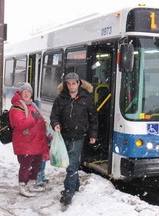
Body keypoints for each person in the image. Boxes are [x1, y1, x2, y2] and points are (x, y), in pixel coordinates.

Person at [50, 72, 98, 206]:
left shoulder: (86, 98)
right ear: (66, 85)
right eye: (69, 84)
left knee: (71, 164)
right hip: (64, 135)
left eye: (74, 83)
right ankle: (75, 183)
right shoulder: (61, 98)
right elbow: (54, 116)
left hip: (78, 137)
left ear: (78, 83)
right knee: (72, 163)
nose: (71, 86)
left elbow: (93, 119)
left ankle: (68, 192)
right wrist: (56, 124)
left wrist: (93, 135)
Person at [9, 82, 49, 197]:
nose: (27, 93)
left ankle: (31, 184)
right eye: (24, 91)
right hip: (25, 142)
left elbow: (39, 120)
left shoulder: (31, 105)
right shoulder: (17, 107)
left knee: (36, 164)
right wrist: (34, 120)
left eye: (29, 91)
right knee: (26, 165)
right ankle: (23, 186)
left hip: (35, 142)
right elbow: (20, 124)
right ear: (21, 93)